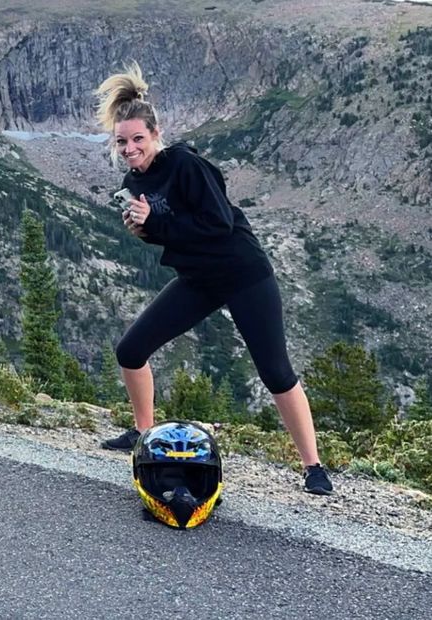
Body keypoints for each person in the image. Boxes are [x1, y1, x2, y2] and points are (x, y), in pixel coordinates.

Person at [93, 62, 333, 496]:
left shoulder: (185, 164)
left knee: (276, 372)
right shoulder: (134, 180)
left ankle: (313, 466)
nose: (129, 149)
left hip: (243, 273)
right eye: (122, 141)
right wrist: (143, 229)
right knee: (130, 350)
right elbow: (169, 233)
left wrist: (159, 226)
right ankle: (143, 434)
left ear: (155, 133)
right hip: (199, 279)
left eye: (137, 139)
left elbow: (217, 225)